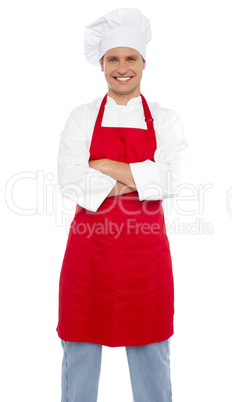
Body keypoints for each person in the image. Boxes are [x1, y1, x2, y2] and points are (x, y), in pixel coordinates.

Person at [56, 8, 188, 402]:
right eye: (113, 59)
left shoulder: (164, 119)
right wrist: (142, 175)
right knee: (79, 354)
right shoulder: (81, 118)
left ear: (144, 62)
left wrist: (103, 166)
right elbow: (72, 181)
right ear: (102, 65)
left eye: (130, 58)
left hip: (145, 262)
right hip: (89, 260)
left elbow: (170, 180)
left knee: (152, 355)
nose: (122, 67)